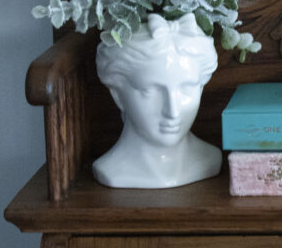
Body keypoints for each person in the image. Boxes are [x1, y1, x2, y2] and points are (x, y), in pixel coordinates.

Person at [92, 13, 222, 188]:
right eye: (151, 91)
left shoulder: (210, 159)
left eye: (187, 88)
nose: (173, 111)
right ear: (117, 94)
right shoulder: (111, 171)